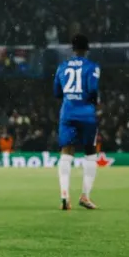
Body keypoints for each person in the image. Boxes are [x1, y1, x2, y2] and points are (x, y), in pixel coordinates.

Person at [53, 34, 101, 210]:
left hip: (67, 112)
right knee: (90, 153)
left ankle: (64, 195)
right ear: (87, 50)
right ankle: (85, 196)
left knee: (66, 153)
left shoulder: (62, 67)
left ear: (72, 49)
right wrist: (94, 102)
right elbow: (93, 89)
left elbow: (57, 92)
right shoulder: (92, 67)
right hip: (86, 113)